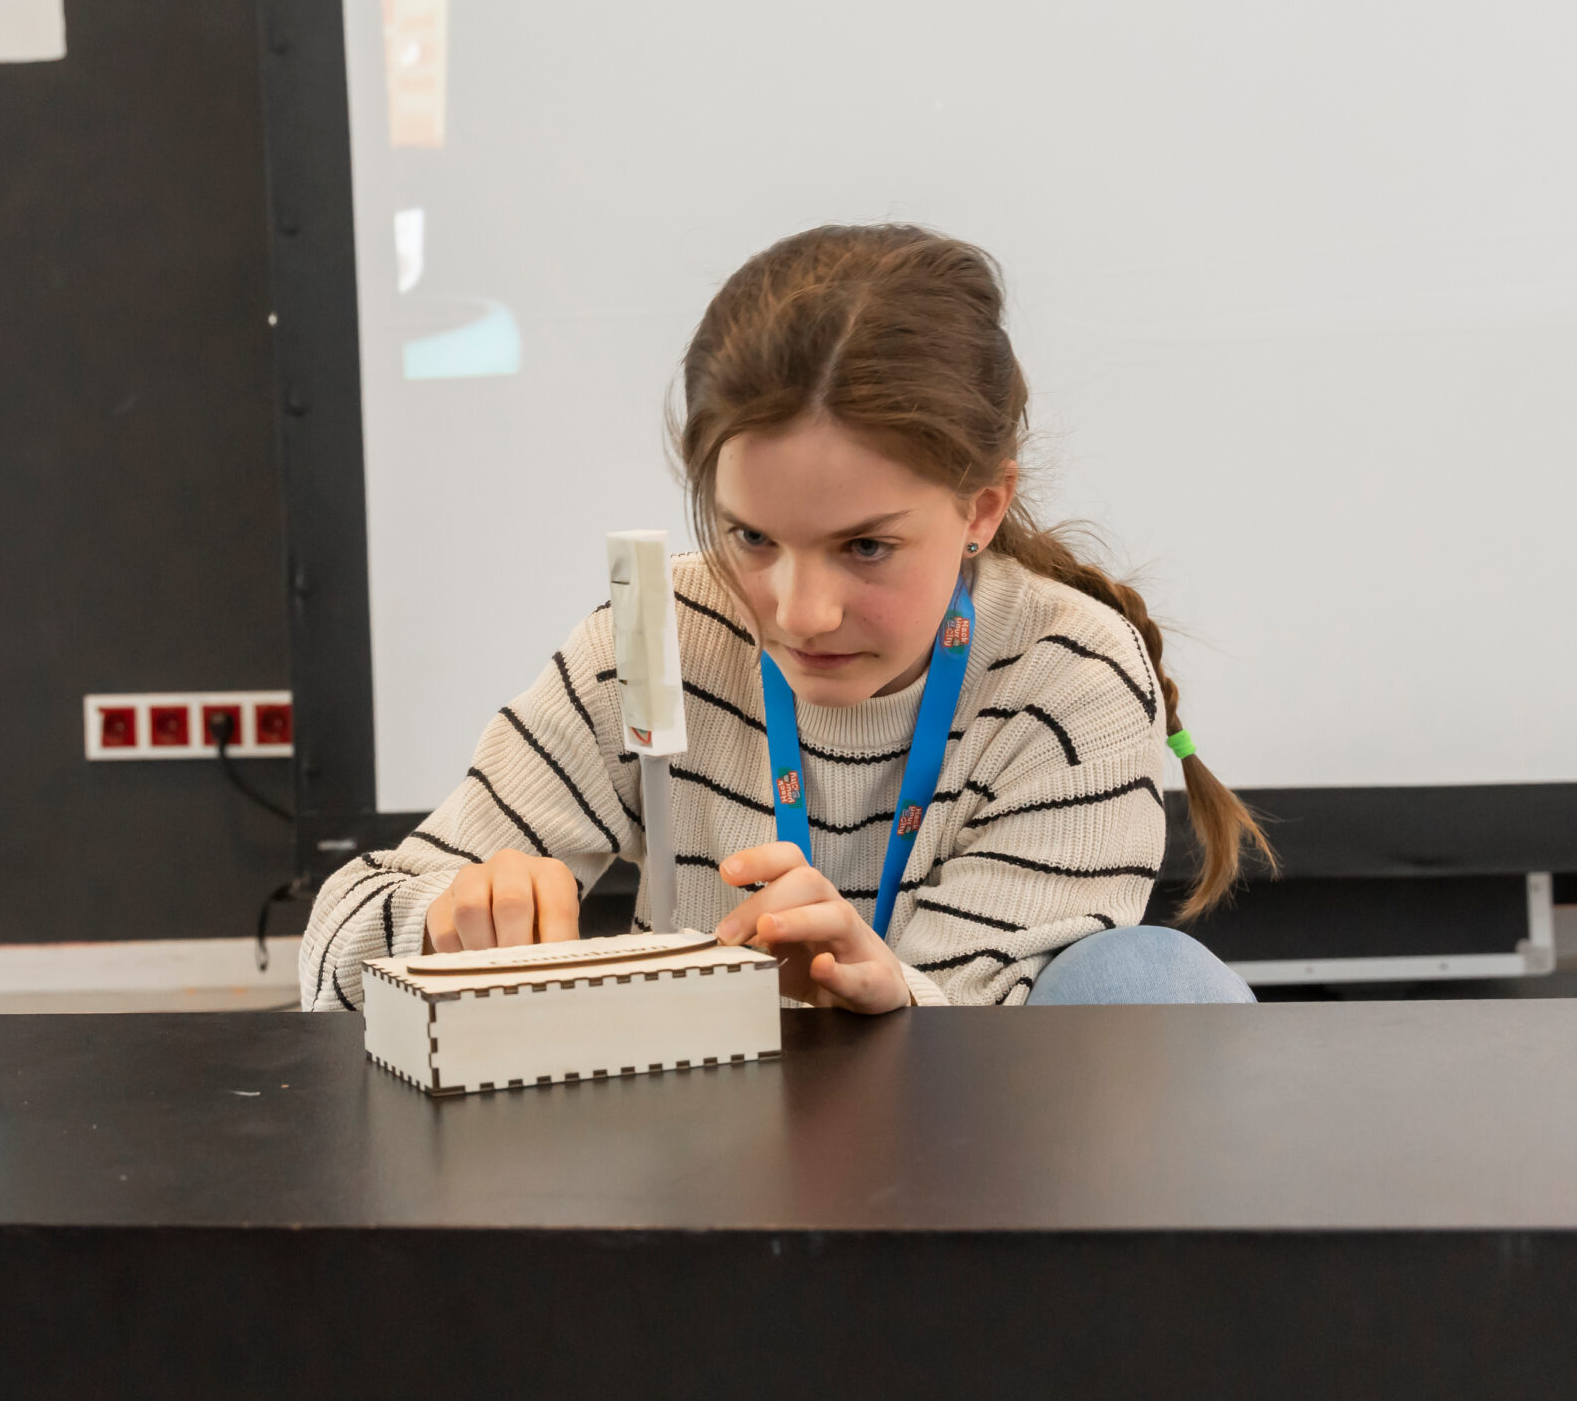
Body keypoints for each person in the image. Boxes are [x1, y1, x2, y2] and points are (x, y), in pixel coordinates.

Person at [300, 225, 1270, 1012]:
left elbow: (981, 1052)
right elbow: (336, 948)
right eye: (752, 537)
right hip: (703, 1135)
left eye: (866, 546)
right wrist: (445, 921)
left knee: (1152, 979)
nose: (801, 613)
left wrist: (887, 997)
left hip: (969, 1139)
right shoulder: (658, 640)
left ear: (981, 508)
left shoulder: (1068, 676)